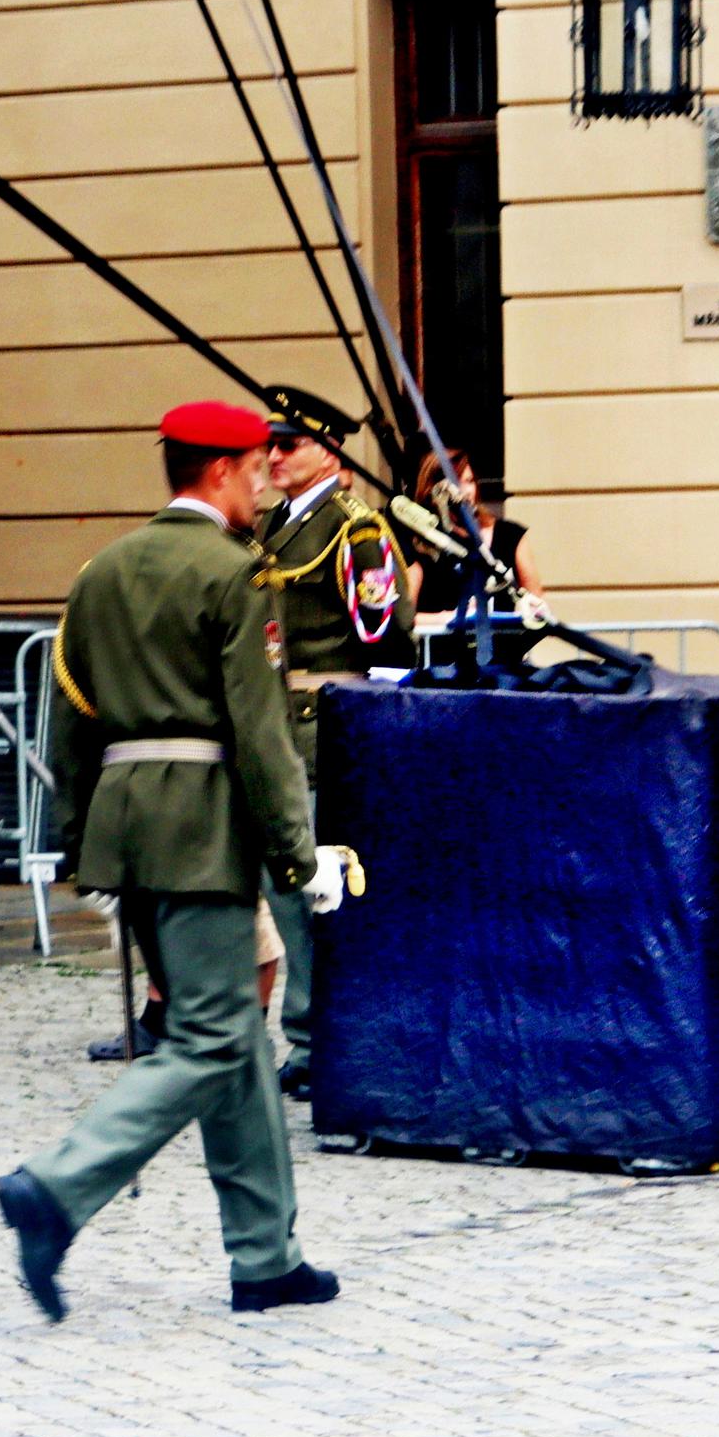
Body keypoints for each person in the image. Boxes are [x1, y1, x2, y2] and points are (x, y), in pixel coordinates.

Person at [0, 400, 348, 1325]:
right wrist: (296, 854)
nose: (268, 476)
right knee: (215, 1038)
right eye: (256, 465)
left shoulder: (103, 571)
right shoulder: (235, 574)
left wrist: (82, 840)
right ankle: (57, 1186)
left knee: (228, 1037)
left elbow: (68, 718)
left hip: (126, 821)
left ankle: (267, 1254)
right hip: (203, 825)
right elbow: (259, 728)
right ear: (222, 472)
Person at [251, 417, 408, 1096]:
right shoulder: (274, 525)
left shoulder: (355, 527)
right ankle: (309, 1036)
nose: (274, 456)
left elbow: (385, 635)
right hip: (277, 728)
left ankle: (324, 1041)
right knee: (285, 893)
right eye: (270, 445)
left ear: (329, 453)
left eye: (289, 445)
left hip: (323, 730)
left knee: (314, 890)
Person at [407, 448, 540, 620]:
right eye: (457, 483)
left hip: (501, 645)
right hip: (445, 645)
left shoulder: (509, 534)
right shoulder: (420, 543)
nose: (466, 491)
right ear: (434, 491)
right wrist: (453, 618)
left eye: (469, 481)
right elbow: (406, 618)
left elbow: (536, 601)